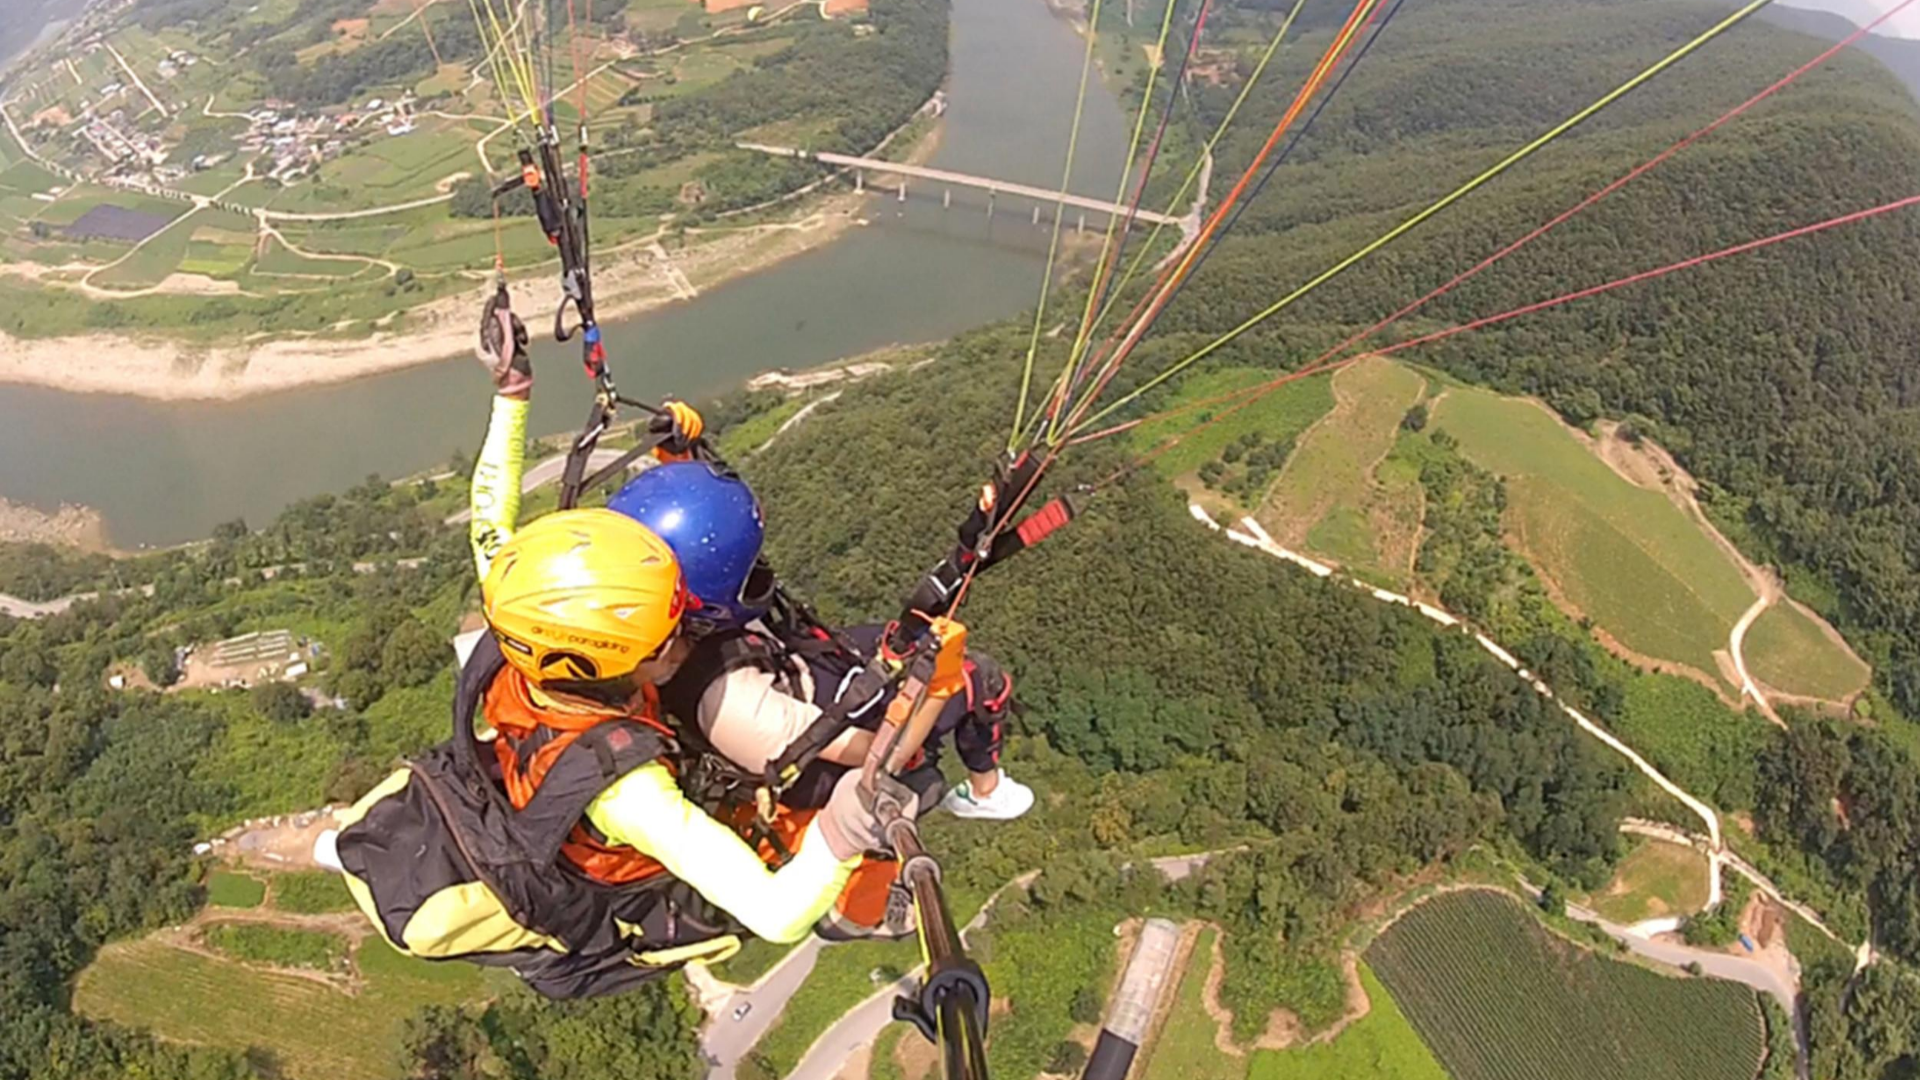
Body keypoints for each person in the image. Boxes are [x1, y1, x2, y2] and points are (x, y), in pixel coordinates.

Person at [326, 506, 963, 998]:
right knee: (892, 792)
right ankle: (857, 915)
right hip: (645, 886)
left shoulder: (521, 631)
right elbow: (776, 915)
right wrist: (841, 830)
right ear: (598, 666)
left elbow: (489, 515)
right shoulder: (629, 795)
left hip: (559, 780)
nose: (686, 640)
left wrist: (513, 399)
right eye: (666, 639)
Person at [463, 293, 1033, 824]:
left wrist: (516, 391)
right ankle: (984, 793)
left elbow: (489, 519)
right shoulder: (731, 705)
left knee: (902, 636)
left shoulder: (567, 600)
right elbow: (880, 756)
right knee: (981, 677)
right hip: (811, 735)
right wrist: (932, 689)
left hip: (784, 666)